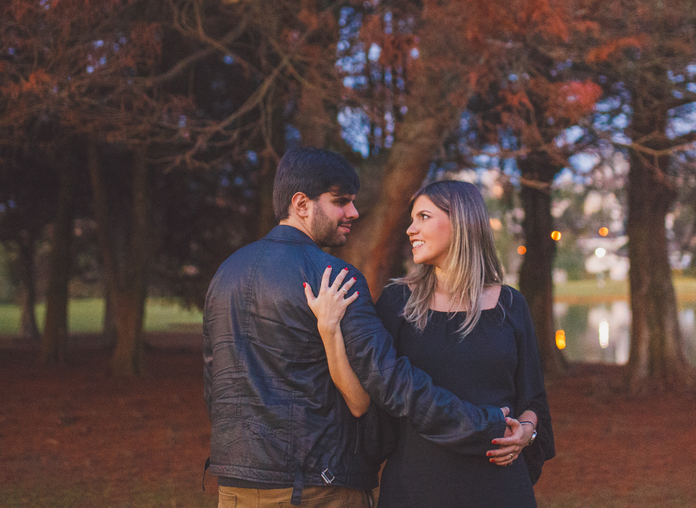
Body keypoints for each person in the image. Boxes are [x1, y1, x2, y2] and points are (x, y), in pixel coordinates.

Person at [203, 148, 518, 508]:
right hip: (318, 489)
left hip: (235, 487)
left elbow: (215, 382)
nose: (353, 212)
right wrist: (481, 424)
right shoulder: (334, 279)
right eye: (340, 202)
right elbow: (390, 380)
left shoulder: (226, 274)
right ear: (301, 204)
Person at [306, 179, 555, 508]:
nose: (411, 229)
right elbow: (361, 400)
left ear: (462, 222)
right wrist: (328, 330)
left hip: (499, 486)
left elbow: (533, 398)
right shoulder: (398, 303)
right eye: (412, 219)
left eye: (423, 217)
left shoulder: (510, 304)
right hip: (417, 487)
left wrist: (526, 430)